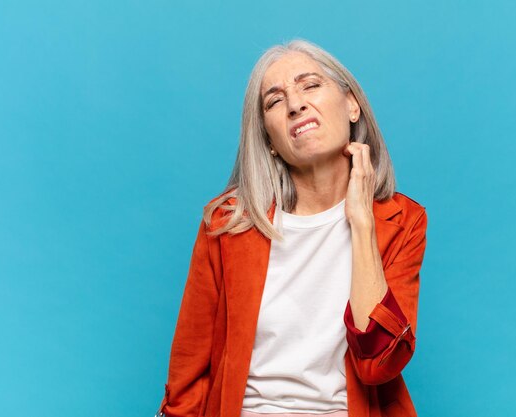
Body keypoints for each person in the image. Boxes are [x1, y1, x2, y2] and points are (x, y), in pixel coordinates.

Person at [156, 39, 428, 417]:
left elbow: (378, 364)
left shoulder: (401, 222)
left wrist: (362, 224)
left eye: (310, 85)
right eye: (274, 100)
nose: (295, 104)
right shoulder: (227, 225)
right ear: (269, 141)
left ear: (353, 105)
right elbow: (189, 371)